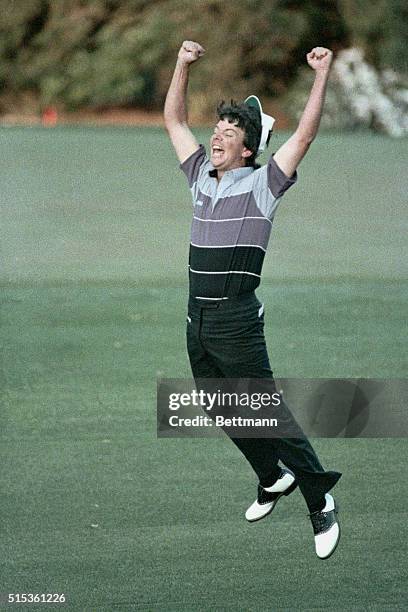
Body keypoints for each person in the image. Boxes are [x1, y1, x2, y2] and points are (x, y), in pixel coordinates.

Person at [164, 40, 342, 559]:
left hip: (236, 319)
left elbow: (305, 133)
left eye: (230, 130)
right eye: (217, 127)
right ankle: (272, 478)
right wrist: (182, 65)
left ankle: (319, 497)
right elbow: (174, 120)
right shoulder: (199, 173)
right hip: (196, 316)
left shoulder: (264, 183)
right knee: (222, 404)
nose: (217, 133)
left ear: (248, 148)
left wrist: (321, 73)